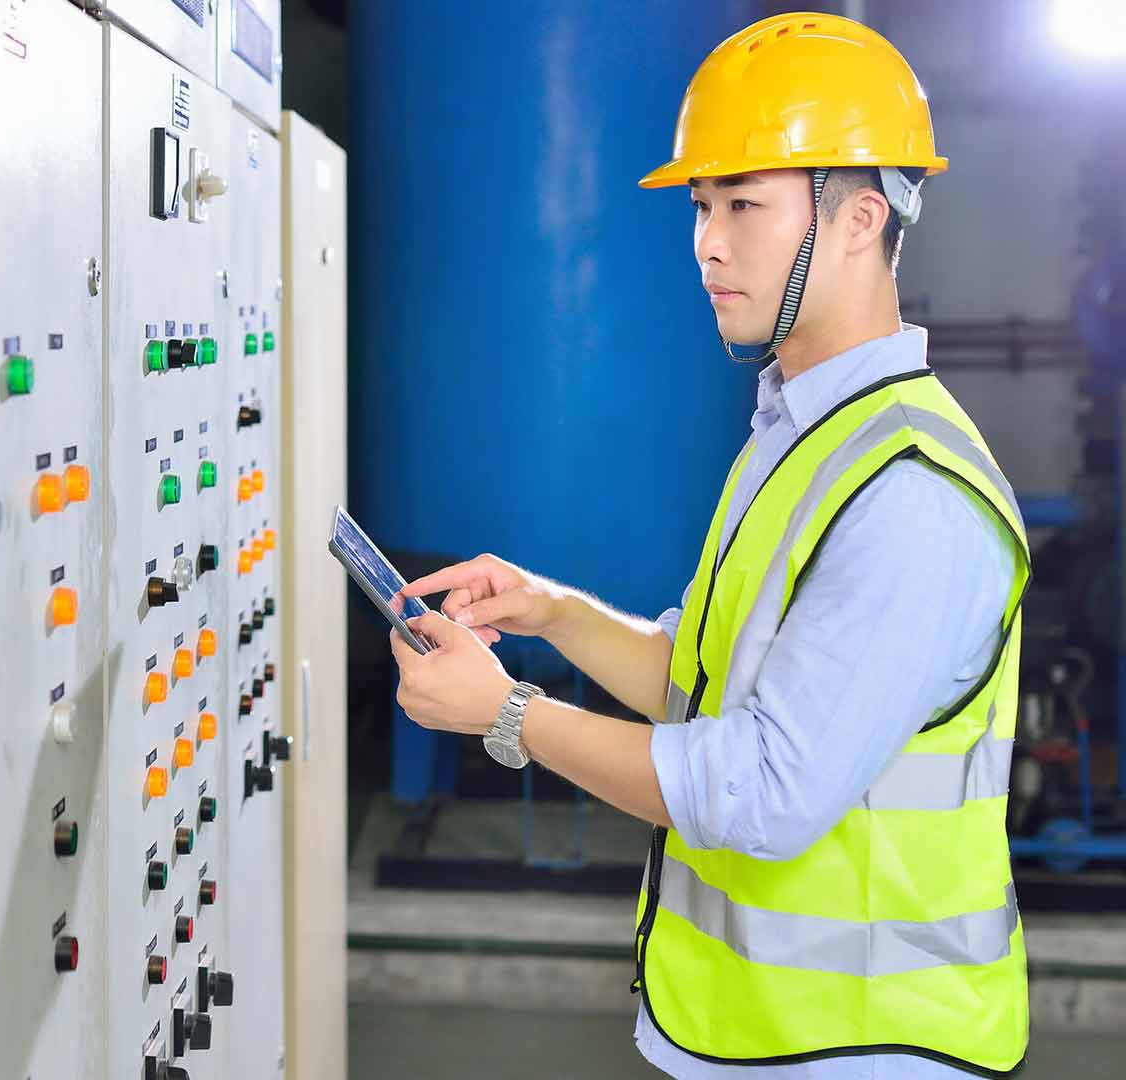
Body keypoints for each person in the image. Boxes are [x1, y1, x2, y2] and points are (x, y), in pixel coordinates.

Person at [388, 12, 1030, 1077]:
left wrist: (507, 713)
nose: (706, 242)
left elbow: (761, 790)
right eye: (699, 205)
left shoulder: (911, 493)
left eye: (744, 204)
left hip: (866, 1049)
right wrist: (552, 610)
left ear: (862, 218)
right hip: (757, 1036)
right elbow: (701, 681)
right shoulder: (802, 432)